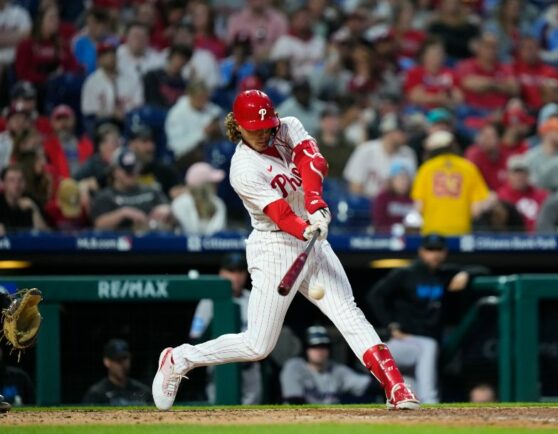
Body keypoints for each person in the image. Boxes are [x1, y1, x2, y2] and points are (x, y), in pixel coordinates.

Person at [152, 89, 419, 411]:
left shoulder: (288, 126)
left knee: (349, 314)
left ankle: (397, 387)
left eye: (267, 126)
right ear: (238, 126)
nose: (264, 133)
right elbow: (279, 213)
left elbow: (313, 161)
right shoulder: (242, 168)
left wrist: (316, 204)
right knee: (258, 345)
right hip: (274, 243)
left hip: (312, 238)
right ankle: (179, 358)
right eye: (255, 128)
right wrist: (308, 224)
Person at [367, 234, 481, 404]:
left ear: (445, 252)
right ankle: (431, 401)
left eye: (438, 250)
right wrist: (390, 325)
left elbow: (482, 269)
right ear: (421, 251)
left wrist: (466, 274)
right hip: (403, 344)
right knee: (429, 345)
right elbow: (375, 296)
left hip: (425, 355)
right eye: (430, 249)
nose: (434, 254)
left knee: (412, 400)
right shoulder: (406, 273)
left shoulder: (445, 274)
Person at [188, 253, 261, 404]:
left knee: (253, 412)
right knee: (220, 409)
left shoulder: (253, 299)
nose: (236, 277)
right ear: (222, 273)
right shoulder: (208, 301)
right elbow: (195, 338)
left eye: (240, 271)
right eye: (231, 271)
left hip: (249, 367)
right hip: (219, 368)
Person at [411, 131, 495, 235]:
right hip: (461, 233)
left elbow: (419, 208)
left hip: (432, 234)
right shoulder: (469, 168)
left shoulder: (425, 169)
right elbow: (476, 210)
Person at [280, 325, 374, 404]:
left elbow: (368, 385)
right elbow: (294, 400)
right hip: (298, 421)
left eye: (323, 346)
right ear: (305, 349)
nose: (319, 351)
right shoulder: (294, 367)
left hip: (330, 422)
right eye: (314, 346)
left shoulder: (337, 370)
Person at [90, 148, 172, 232]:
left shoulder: (151, 191)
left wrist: (166, 210)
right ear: (114, 171)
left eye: (133, 168)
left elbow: (168, 209)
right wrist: (123, 213)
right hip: (121, 241)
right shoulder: (105, 196)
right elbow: (98, 225)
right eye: (127, 171)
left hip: (152, 238)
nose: (131, 173)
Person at [82, 339, 152, 405]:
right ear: (107, 361)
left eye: (124, 358)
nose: (122, 364)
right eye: (117, 360)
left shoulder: (143, 391)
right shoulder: (96, 394)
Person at [172, 162, 227, 236]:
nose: (216, 185)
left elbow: (216, 234)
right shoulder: (181, 203)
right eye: (212, 183)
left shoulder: (217, 203)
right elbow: (190, 233)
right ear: (203, 185)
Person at [0, 164, 47, 235]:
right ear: (3, 183)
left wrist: (34, 210)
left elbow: (45, 234)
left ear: (25, 183)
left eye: (20, 180)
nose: (17, 185)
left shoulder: (33, 201)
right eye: (11, 180)